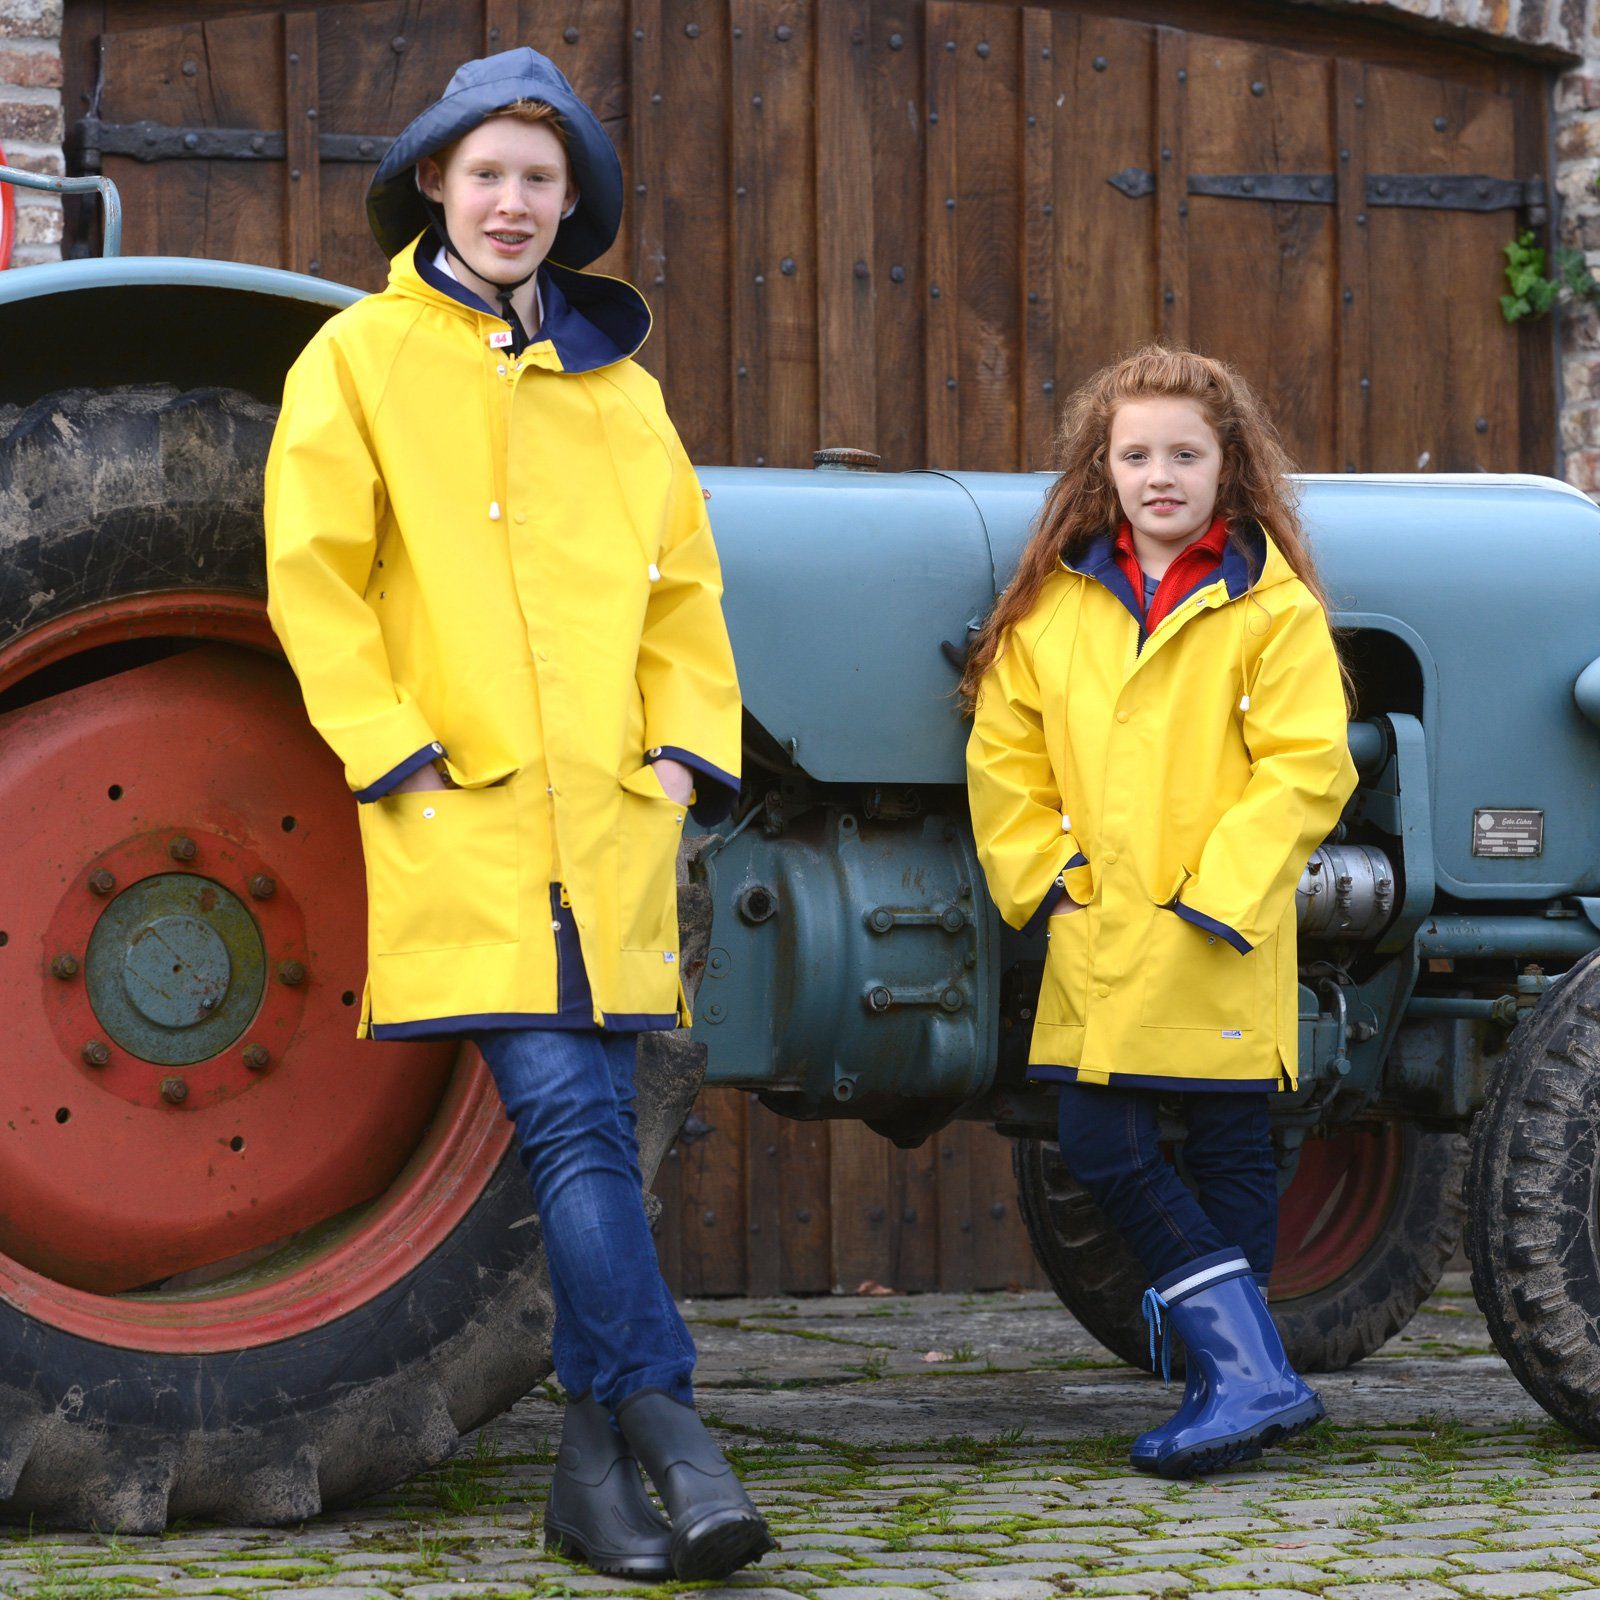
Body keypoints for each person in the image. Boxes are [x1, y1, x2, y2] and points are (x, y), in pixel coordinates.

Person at [263, 47, 771, 1582]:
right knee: (566, 1110)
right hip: (464, 815)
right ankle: (670, 1416)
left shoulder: (623, 395)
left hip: (610, 822)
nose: (510, 201)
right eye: (485, 173)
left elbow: (687, 593)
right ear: (435, 183)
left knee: (594, 1131)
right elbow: (315, 575)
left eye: (539, 180)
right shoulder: (357, 362)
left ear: (572, 206)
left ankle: (594, 1483)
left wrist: (682, 757)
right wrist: (392, 750)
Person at [961, 345, 1357, 1478]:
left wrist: (1219, 896)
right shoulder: (1055, 604)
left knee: (1229, 1138)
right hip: (1098, 922)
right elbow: (1005, 753)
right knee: (1098, 1135)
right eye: (1135, 454)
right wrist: (1049, 879)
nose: (1159, 474)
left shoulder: (1268, 608)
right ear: (1103, 466)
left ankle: (1228, 1385)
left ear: (1228, 466)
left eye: (1185, 452)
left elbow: (1305, 765)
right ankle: (1248, 1376)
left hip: (1215, 924)